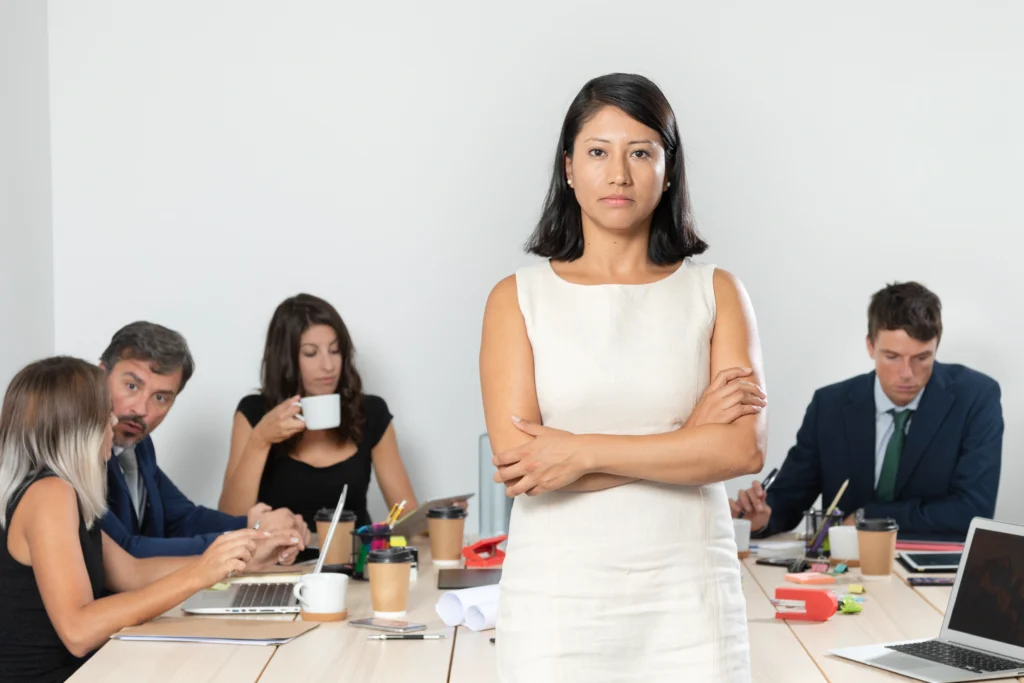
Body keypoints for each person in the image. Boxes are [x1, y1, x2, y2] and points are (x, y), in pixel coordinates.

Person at [480, 73, 768, 682]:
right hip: (556, 603)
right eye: (597, 152)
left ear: (669, 168)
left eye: (640, 152)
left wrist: (579, 453)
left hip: (690, 600)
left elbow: (741, 449)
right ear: (568, 167)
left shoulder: (716, 291)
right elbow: (525, 469)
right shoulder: (517, 298)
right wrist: (688, 439)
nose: (618, 174)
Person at [0, 357, 294, 683]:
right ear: (77, 426)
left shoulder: (61, 491)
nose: (113, 421)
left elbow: (131, 572)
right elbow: (79, 631)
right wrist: (199, 573)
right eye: (105, 413)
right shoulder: (50, 494)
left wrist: (235, 562)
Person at [731, 282, 1002, 541]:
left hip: (933, 565)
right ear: (870, 346)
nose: (907, 373)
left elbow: (973, 510)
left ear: (936, 346)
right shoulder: (830, 406)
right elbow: (790, 498)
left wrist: (869, 517)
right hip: (847, 565)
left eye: (922, 358)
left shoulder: (976, 399)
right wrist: (764, 516)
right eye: (892, 357)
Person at [99, 322, 310, 558]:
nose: (140, 409)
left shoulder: (139, 444)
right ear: (100, 375)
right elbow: (124, 551)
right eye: (131, 386)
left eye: (160, 398)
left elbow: (182, 518)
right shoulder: (77, 449)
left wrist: (256, 525)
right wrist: (247, 539)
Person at [219, 294, 418, 532]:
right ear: (285, 359)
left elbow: (408, 515)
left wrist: (440, 518)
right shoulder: (254, 413)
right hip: (280, 554)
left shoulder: (370, 413)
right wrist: (260, 440)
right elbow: (229, 521)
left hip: (352, 553)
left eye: (335, 350)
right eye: (311, 353)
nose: (328, 366)